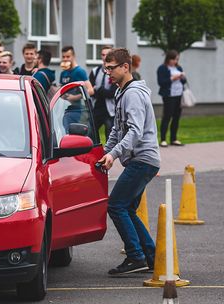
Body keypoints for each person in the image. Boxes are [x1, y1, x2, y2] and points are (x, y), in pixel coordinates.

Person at [98, 48, 160, 275]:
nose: (108, 73)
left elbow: (134, 131)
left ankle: (135, 256)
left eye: (111, 68)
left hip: (143, 159)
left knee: (116, 205)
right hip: (139, 159)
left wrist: (113, 155)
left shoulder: (133, 94)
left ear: (126, 67)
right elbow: (116, 129)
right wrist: (104, 152)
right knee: (128, 209)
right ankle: (151, 257)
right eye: (106, 69)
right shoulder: (121, 92)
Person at [157, 50, 186, 147]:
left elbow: (184, 81)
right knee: (167, 117)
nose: (175, 61)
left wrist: (182, 77)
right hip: (169, 96)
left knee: (176, 117)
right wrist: (172, 79)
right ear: (168, 59)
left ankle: (174, 138)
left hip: (179, 95)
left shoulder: (179, 67)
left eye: (177, 59)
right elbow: (161, 82)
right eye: (173, 59)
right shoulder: (162, 68)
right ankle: (163, 139)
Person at [89, 46, 117, 141]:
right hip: (97, 107)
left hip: (110, 109)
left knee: (110, 134)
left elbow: (112, 93)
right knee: (91, 132)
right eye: (103, 54)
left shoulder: (115, 71)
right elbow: (90, 91)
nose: (105, 57)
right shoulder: (95, 71)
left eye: (107, 55)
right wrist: (97, 91)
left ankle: (108, 154)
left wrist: (98, 89)